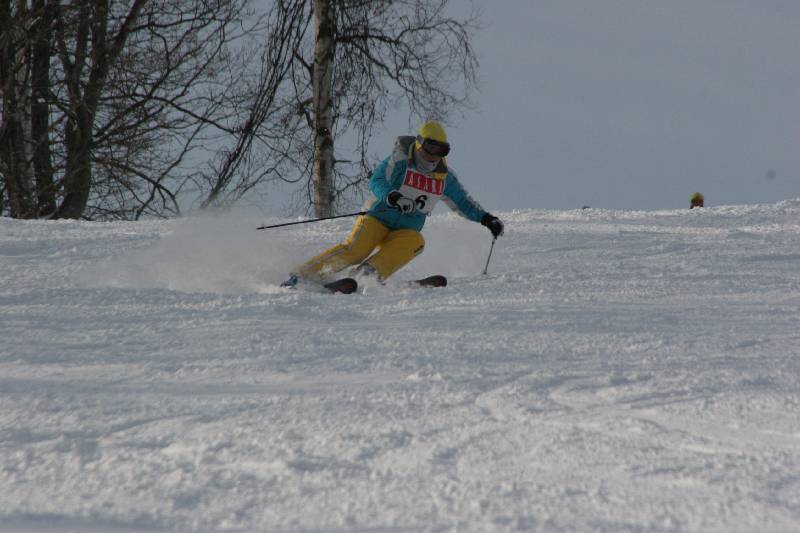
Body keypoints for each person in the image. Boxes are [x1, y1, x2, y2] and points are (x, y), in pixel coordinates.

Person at [282, 120, 504, 287]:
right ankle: (302, 276)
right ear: (419, 143)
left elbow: (463, 201)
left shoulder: (444, 177)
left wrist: (487, 219)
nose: (433, 155)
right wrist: (393, 197)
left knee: (416, 241)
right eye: (430, 147)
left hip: (405, 229)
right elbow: (377, 180)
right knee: (356, 250)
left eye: (441, 150)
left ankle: (365, 276)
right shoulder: (400, 160)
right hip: (376, 218)